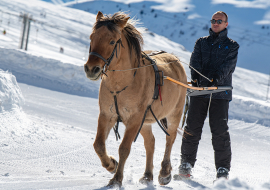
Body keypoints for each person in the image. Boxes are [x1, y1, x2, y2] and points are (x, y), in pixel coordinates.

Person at [176, 11, 239, 180]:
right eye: (213, 20)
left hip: (220, 94)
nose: (216, 23)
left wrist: (214, 80)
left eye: (220, 21)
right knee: (192, 129)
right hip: (200, 92)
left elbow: (228, 67)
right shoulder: (201, 43)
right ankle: (186, 164)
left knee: (219, 132)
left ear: (226, 24)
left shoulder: (232, 46)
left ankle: (222, 169)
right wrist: (197, 79)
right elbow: (194, 62)